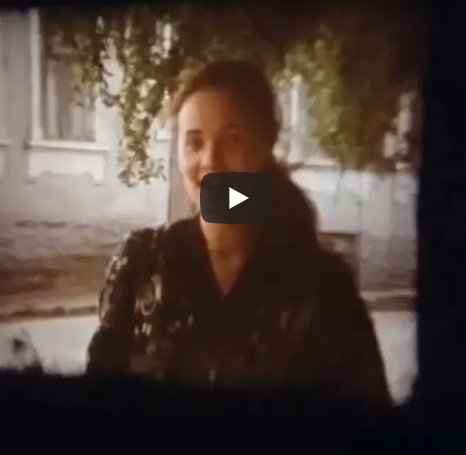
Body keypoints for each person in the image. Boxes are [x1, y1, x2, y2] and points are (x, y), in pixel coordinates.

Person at [86, 60, 392, 404]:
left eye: (233, 140)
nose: (210, 160)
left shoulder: (323, 286)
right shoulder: (141, 264)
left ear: (266, 146)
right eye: (194, 143)